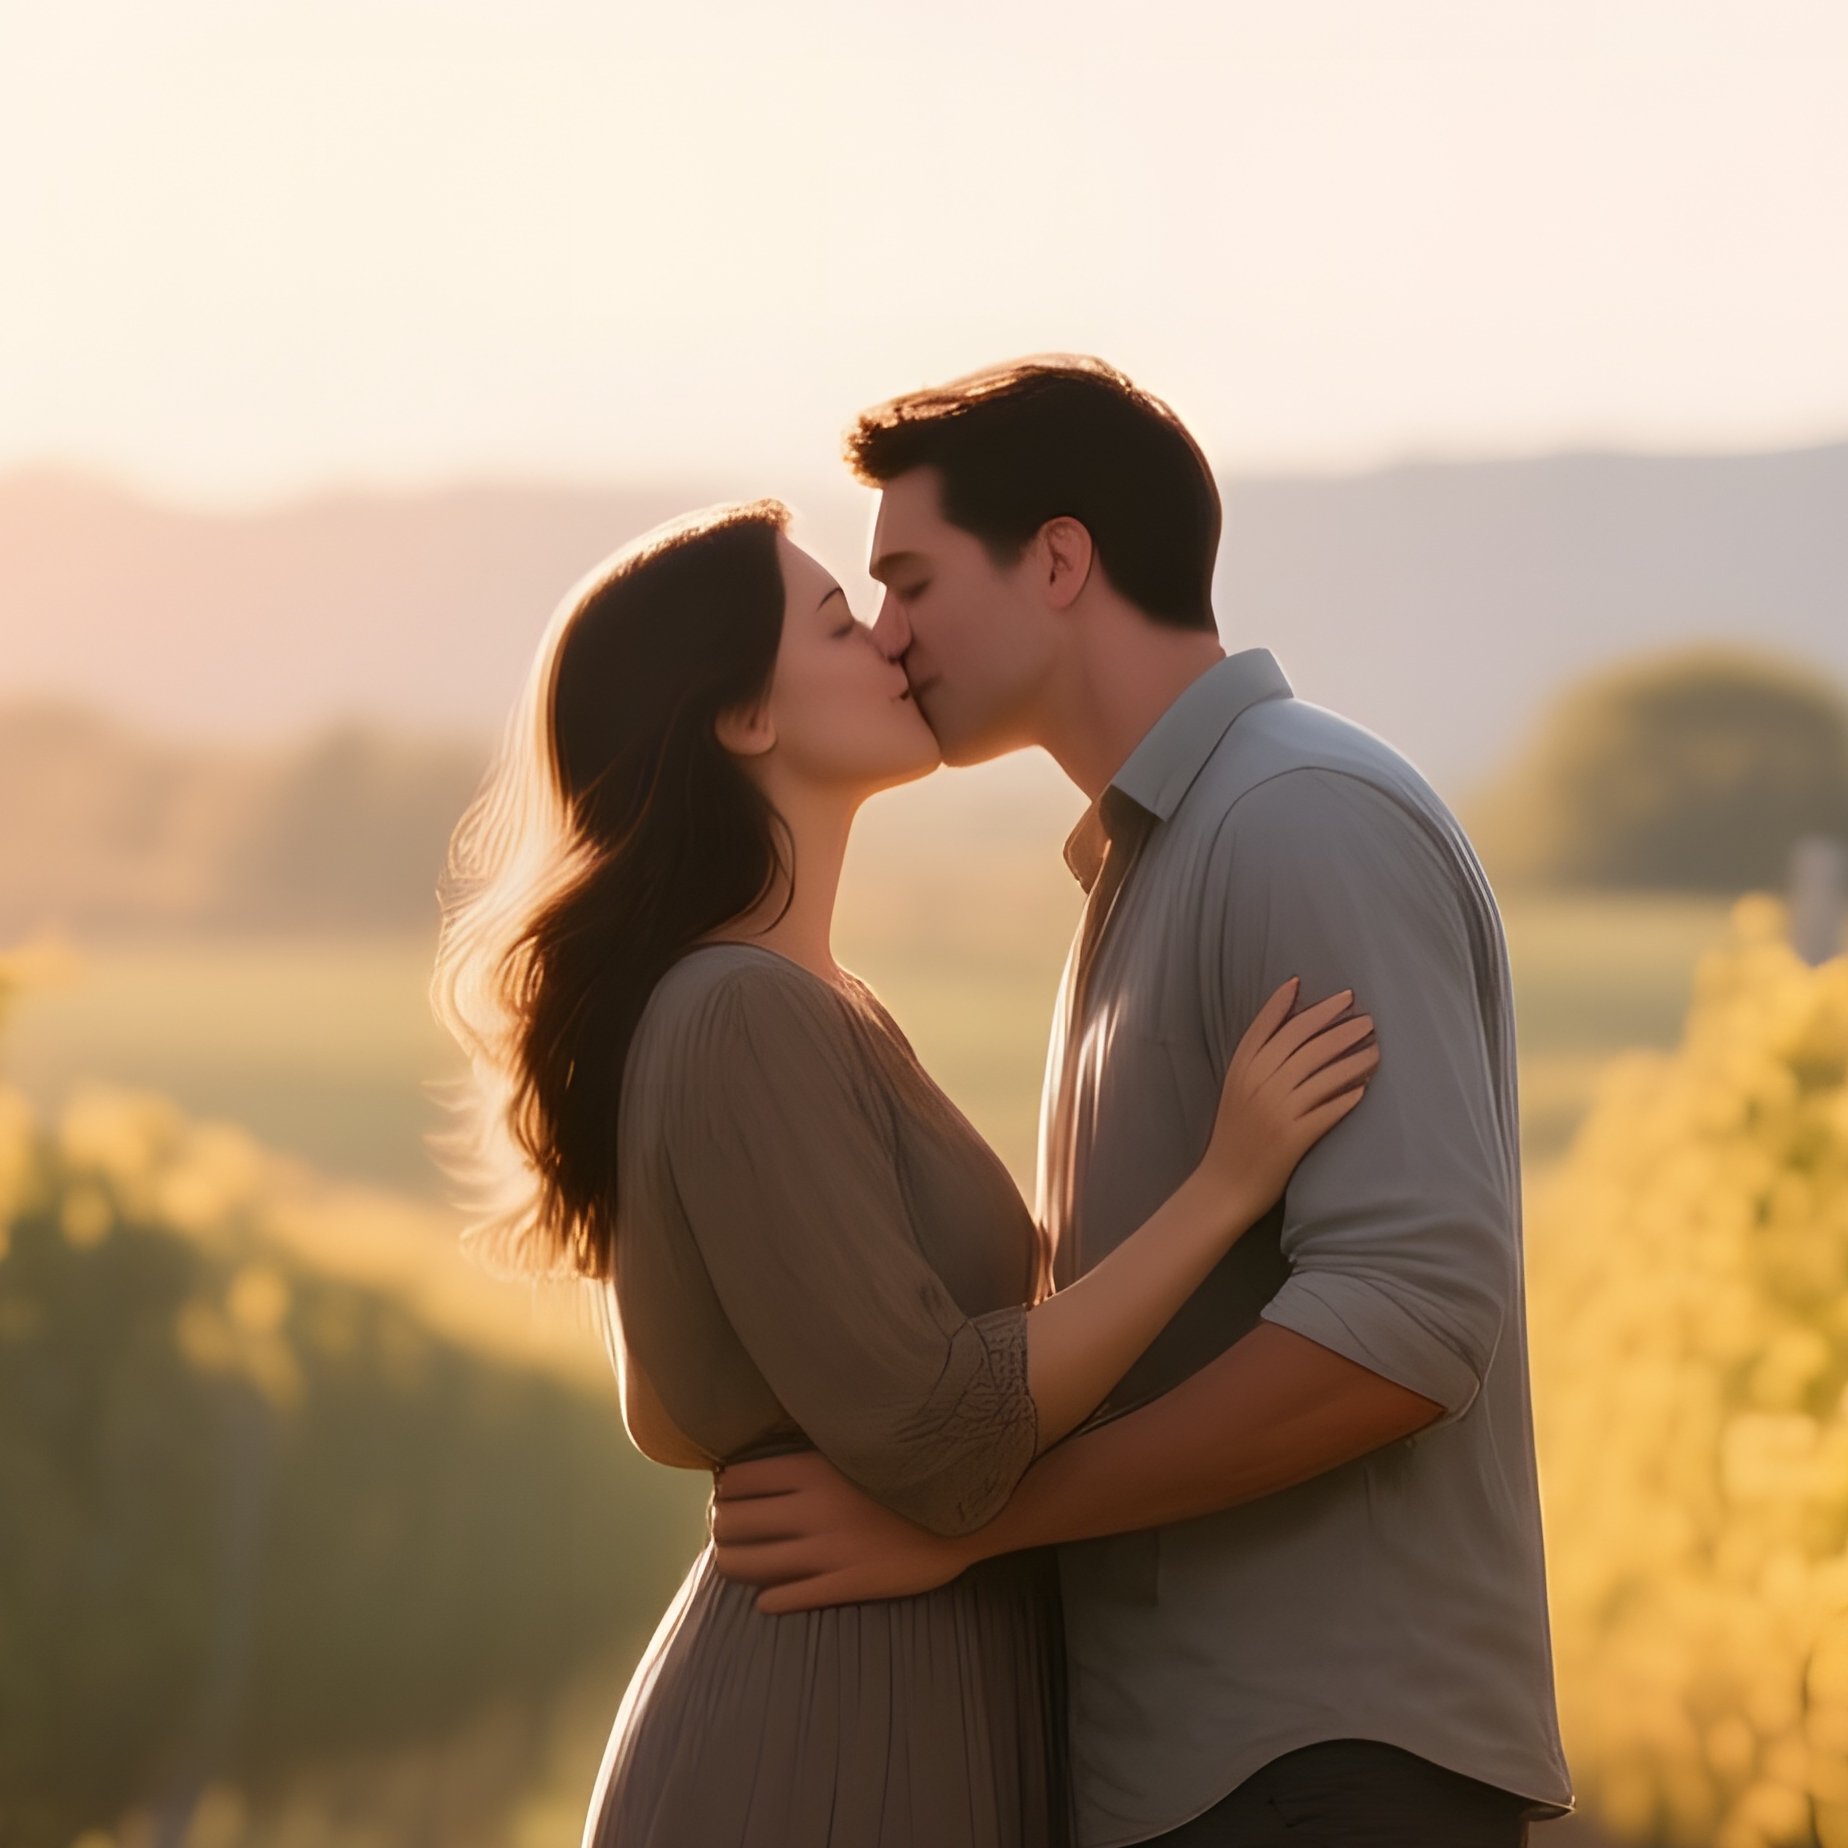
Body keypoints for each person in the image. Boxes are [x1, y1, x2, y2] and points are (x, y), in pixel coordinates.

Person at [710, 356, 1576, 1846]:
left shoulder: (1297, 819)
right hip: (1216, 1772)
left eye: (910, 578)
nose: (891, 634)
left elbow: (1410, 1325)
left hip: (1323, 1771)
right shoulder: (1159, 857)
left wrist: (969, 1525)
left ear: (1058, 559)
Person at [426, 495, 1378, 1847]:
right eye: (836, 619)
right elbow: (940, 1434)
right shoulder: (736, 1014)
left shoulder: (824, 1006)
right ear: (746, 717)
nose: (890, 640)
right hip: (820, 1735)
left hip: (912, 1704)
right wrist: (1226, 1186)